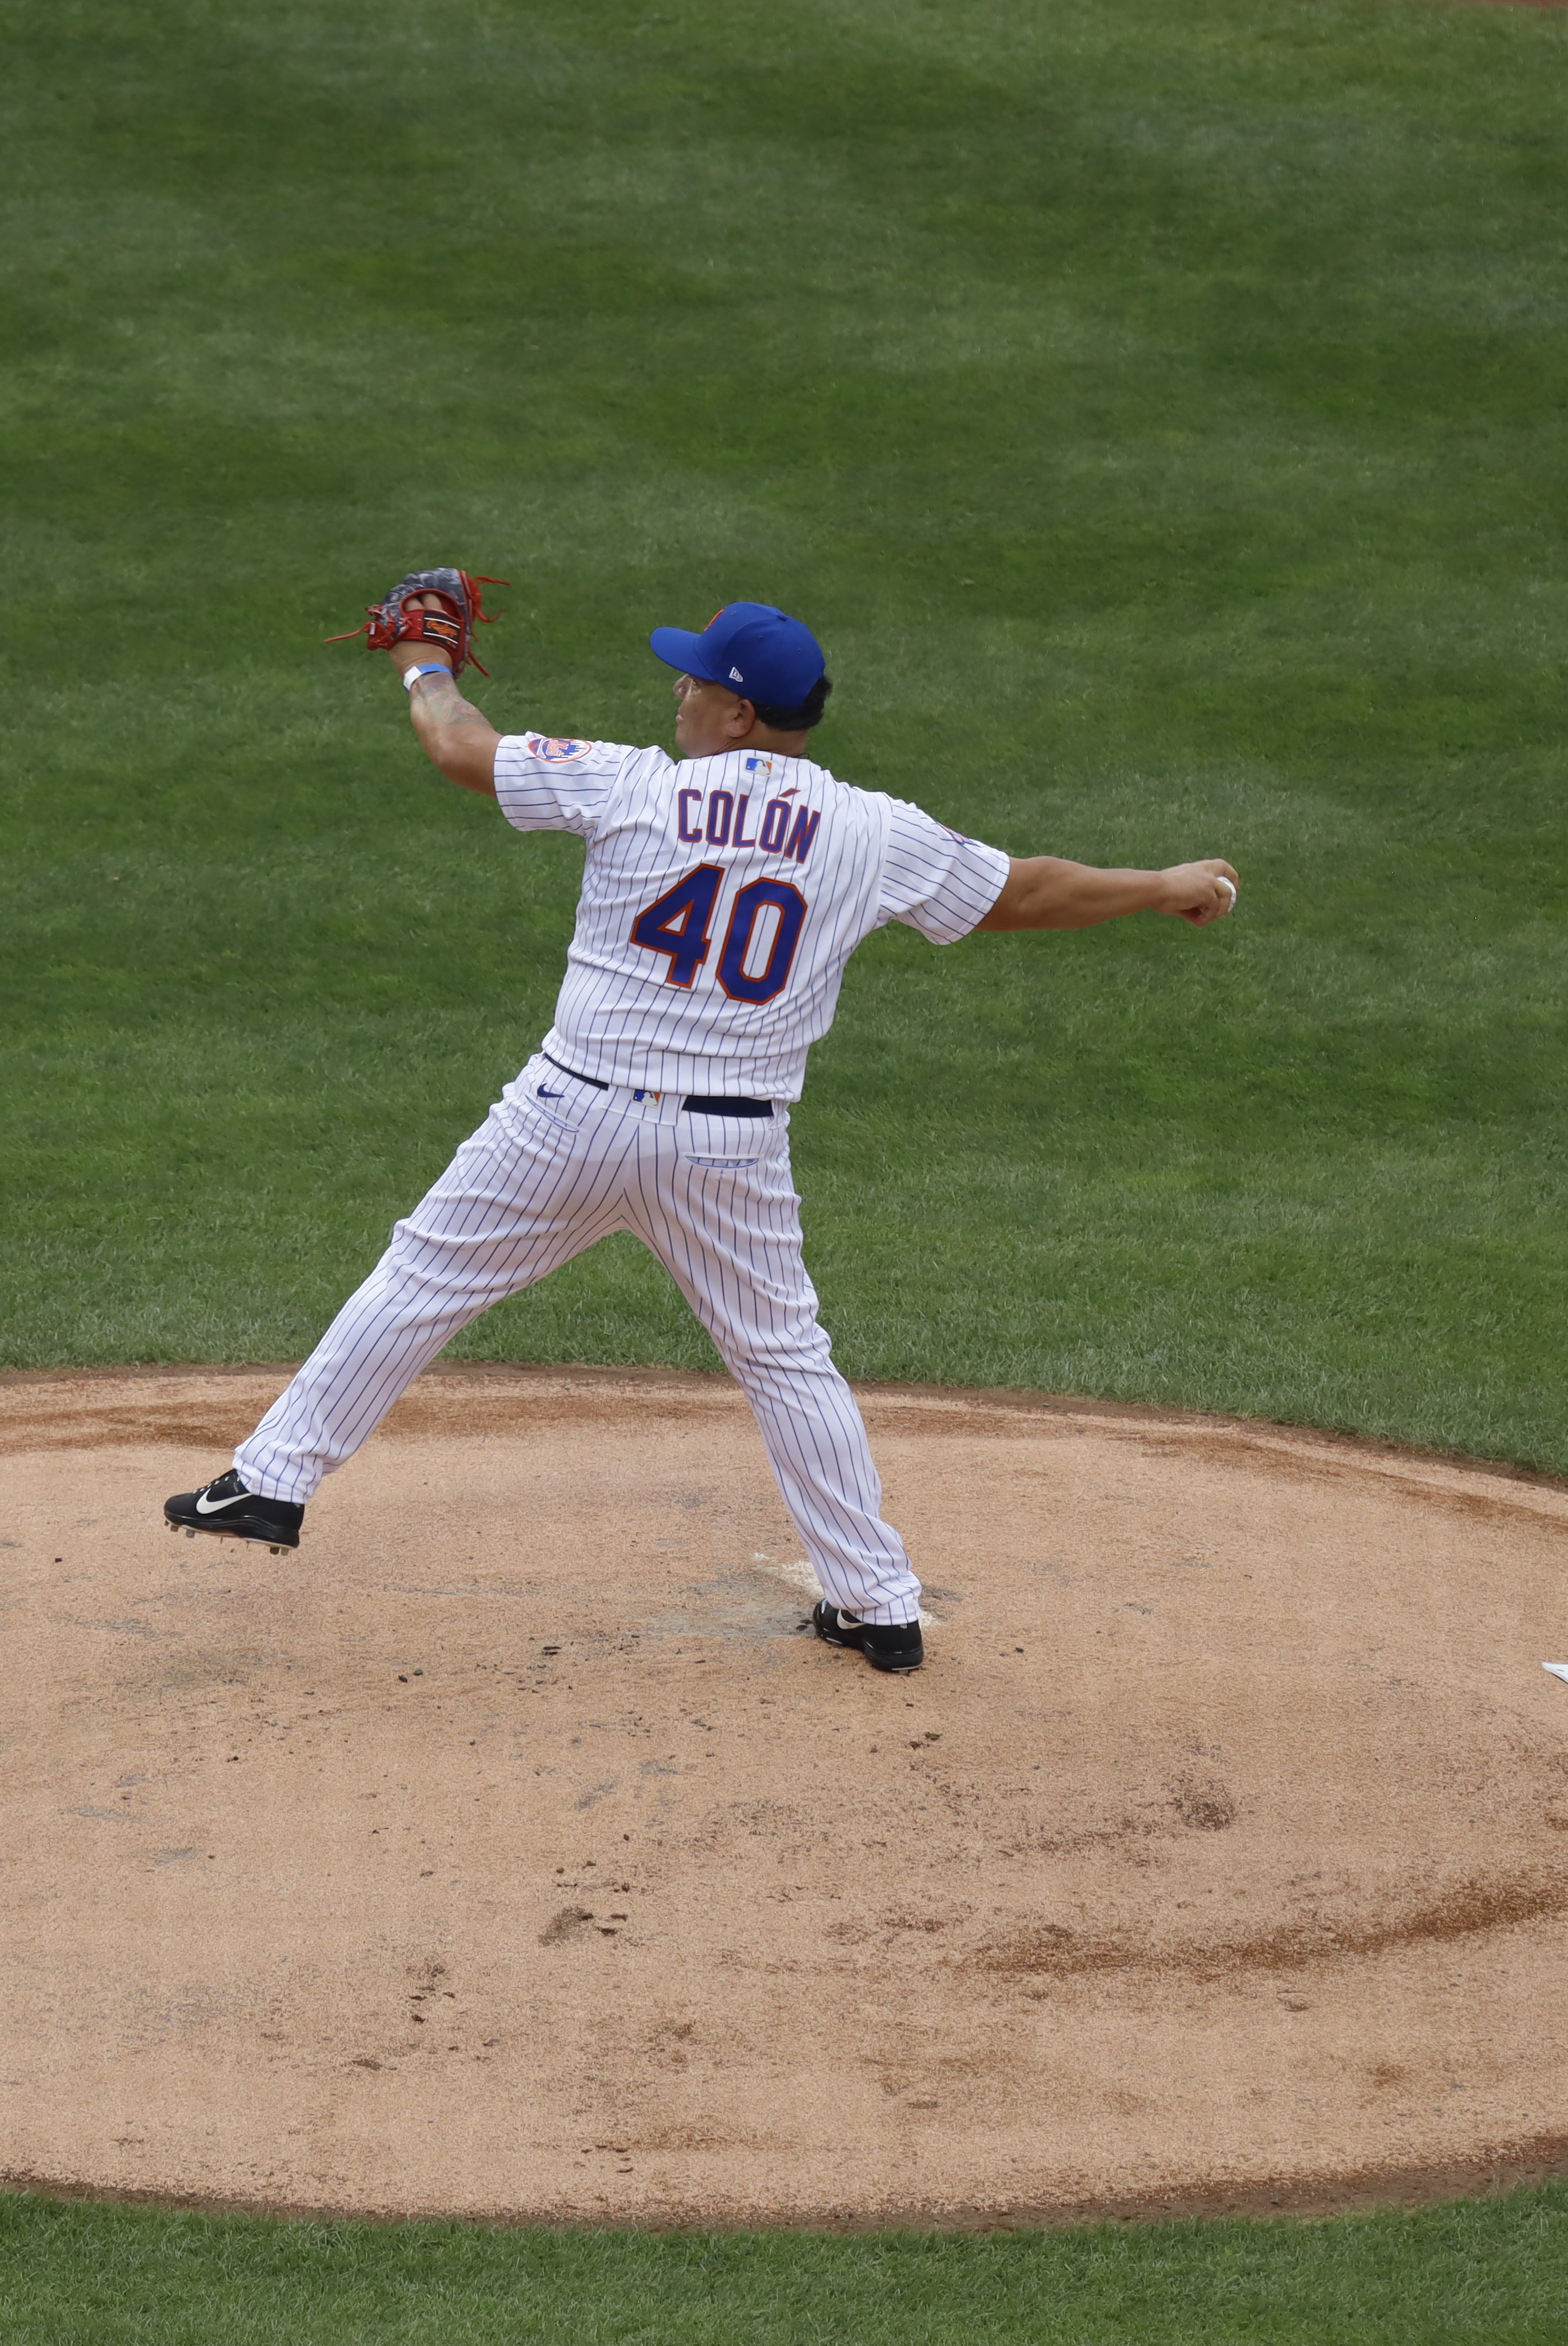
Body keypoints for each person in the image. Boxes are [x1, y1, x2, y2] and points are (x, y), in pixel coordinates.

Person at [162, 588, 1237, 1673]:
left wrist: (420, 665)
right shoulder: (872, 828)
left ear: (740, 714)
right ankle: (879, 1604)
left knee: (423, 1277)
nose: (679, 691)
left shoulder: (636, 785)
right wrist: (1161, 885)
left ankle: (271, 1483)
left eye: (698, 680)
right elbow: (1025, 891)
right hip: (729, 1149)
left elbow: (458, 747)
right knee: (785, 1362)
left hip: (566, 1121)